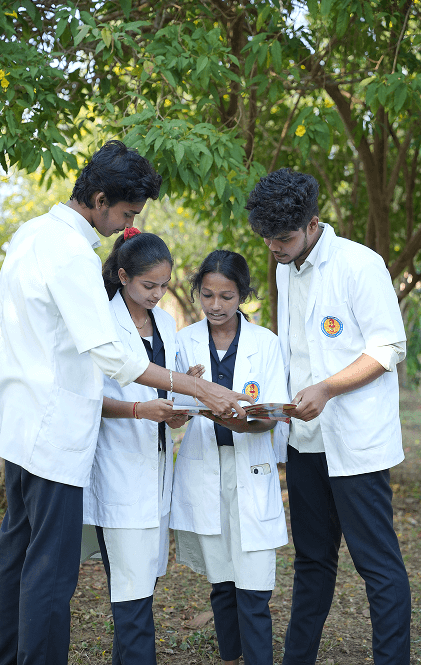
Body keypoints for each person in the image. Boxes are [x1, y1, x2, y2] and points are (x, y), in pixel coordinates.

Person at [0, 140, 251, 665]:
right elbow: (110, 354)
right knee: (51, 569)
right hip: (53, 433)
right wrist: (198, 387)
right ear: (99, 200)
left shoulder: (32, 233)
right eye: (127, 213)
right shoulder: (71, 252)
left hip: (21, 424)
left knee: (18, 555)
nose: (128, 225)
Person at [246, 167, 411, 665]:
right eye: (268, 238)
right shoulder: (284, 267)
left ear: (313, 223)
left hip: (355, 443)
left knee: (376, 565)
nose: (274, 247)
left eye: (284, 238)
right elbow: (296, 350)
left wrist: (328, 388)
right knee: (312, 561)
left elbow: (388, 347)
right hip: (304, 441)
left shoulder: (360, 264)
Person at [170, 250, 290, 665]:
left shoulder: (265, 343)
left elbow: (274, 414)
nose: (216, 306)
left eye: (227, 296)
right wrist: (187, 393)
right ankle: (229, 657)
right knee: (221, 579)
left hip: (250, 465)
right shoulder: (183, 342)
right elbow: (173, 413)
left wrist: (242, 423)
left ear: (243, 295)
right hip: (205, 466)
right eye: (207, 295)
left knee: (254, 583)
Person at [81, 229, 188, 665]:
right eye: (149, 285)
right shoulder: (102, 324)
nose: (158, 295)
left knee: (144, 581)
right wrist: (141, 410)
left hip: (157, 466)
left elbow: (169, 385)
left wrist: (178, 410)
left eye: (164, 285)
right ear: (123, 276)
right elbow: (91, 399)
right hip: (118, 468)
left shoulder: (166, 324)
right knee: (131, 591)